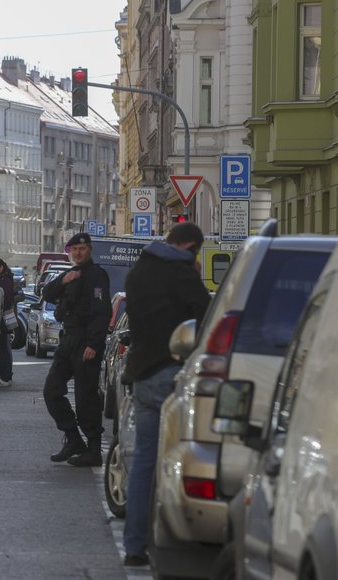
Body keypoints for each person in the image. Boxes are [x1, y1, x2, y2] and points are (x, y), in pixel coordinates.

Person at [121, 222, 211, 568]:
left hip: (142, 374)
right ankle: (178, 542)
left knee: (145, 461)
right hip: (173, 373)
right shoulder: (181, 272)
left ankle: (134, 546)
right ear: (190, 247)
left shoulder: (139, 271)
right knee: (184, 459)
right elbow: (205, 316)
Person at [41, 232, 112, 468]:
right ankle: (73, 439)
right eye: (74, 250)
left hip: (85, 341)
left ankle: (93, 449)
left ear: (90, 250)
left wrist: (94, 344)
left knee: (85, 397)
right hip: (68, 339)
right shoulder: (69, 274)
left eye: (82, 249)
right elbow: (48, 294)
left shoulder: (97, 276)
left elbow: (102, 313)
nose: (78, 253)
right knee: (51, 391)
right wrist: (64, 280)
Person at [0, 258, 15, 387]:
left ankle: (5, 377)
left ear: (1, 267)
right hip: (1, 317)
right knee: (1, 347)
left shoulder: (4, 280)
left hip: (3, 318)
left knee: (3, 348)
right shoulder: (0, 279)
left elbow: (5, 300)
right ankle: (3, 375)